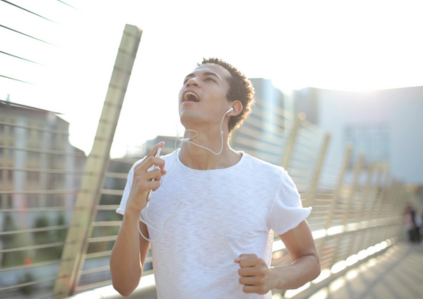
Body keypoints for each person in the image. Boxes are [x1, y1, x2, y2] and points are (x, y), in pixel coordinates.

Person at [110, 58, 320, 298]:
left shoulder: (270, 179)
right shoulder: (147, 173)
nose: (192, 81)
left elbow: (310, 259)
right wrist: (133, 210)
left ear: (233, 108)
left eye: (209, 79)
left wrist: (274, 277)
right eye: (188, 79)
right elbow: (123, 285)